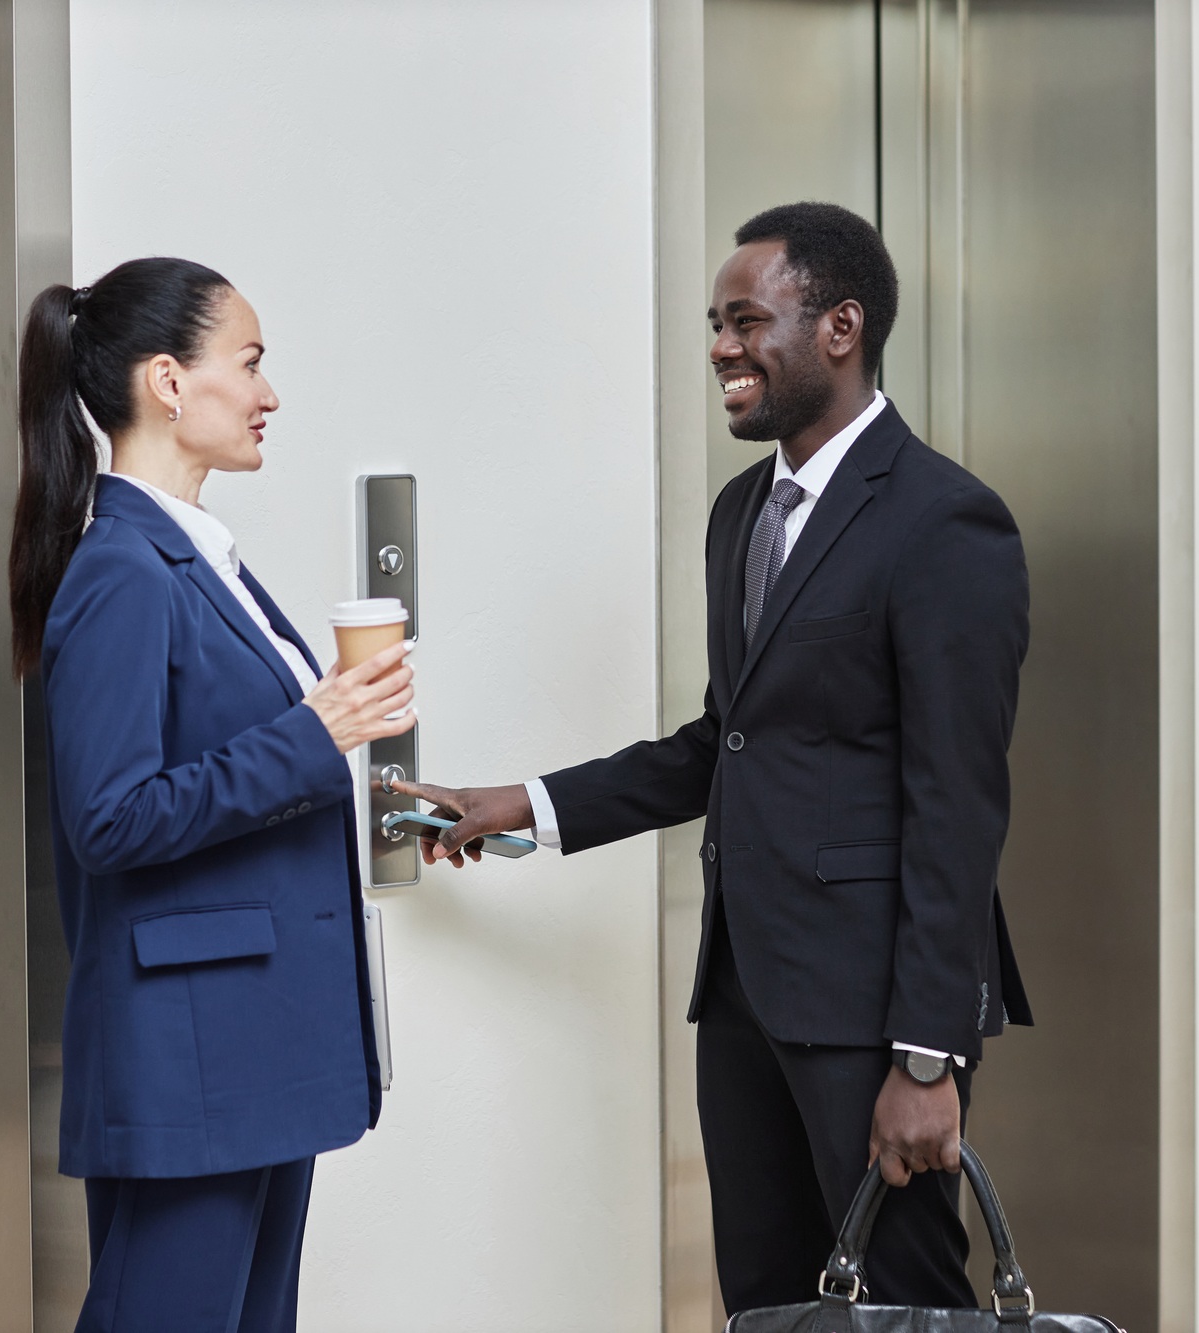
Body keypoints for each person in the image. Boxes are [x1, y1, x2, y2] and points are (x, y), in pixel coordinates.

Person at [400, 202, 1033, 1315]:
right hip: (741, 996)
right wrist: (526, 805)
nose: (720, 349)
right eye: (714, 324)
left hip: (872, 1010)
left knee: (902, 1299)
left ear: (840, 327)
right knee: (766, 1297)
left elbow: (958, 802)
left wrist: (926, 1057)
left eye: (746, 321)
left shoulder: (944, 521)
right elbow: (728, 740)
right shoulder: (744, 512)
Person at [8, 257, 414, 1332]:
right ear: (168, 383)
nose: (269, 393)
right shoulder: (122, 572)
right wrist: (312, 733)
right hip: (192, 1060)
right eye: (249, 362)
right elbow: (110, 816)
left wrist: (335, 732)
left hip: (254, 1048)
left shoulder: (201, 560)